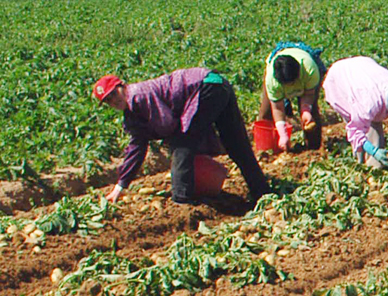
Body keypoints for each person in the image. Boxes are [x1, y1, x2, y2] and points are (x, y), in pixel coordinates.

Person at [93, 69, 272, 206]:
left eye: (114, 94)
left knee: (181, 143)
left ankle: (181, 200)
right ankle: (263, 193)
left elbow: (168, 123)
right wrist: (121, 185)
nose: (113, 101)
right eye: (108, 101)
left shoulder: (139, 95)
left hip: (207, 87)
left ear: (122, 86)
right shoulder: (132, 112)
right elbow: (137, 147)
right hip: (217, 83)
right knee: (235, 144)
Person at [322, 56, 388, 169]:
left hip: (363, 67)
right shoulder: (368, 104)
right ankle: (362, 164)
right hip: (339, 78)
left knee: (374, 124)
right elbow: (356, 130)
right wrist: (374, 151)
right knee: (363, 124)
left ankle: (374, 162)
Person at [257, 41, 326, 153]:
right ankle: (269, 149)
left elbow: (309, 94)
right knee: (266, 114)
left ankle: (313, 149)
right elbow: (277, 108)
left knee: (311, 114)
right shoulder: (271, 80)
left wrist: (305, 110)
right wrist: (283, 134)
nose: (292, 87)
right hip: (278, 68)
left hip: (306, 62)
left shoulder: (310, 70)